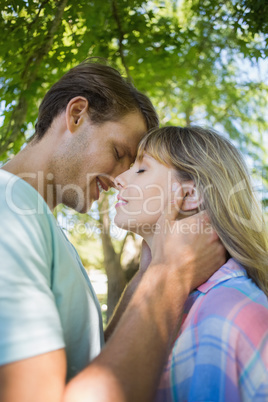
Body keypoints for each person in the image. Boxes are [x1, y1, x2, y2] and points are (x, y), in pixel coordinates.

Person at [0, 60, 225, 402]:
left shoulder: (36, 222)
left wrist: (146, 275)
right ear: (76, 114)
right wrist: (172, 275)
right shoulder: (8, 207)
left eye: (135, 166)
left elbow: (87, 367)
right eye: (119, 153)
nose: (121, 179)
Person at [114, 125, 268, 402]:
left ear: (190, 195)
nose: (118, 179)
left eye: (141, 169)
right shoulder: (177, 297)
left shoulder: (233, 315)